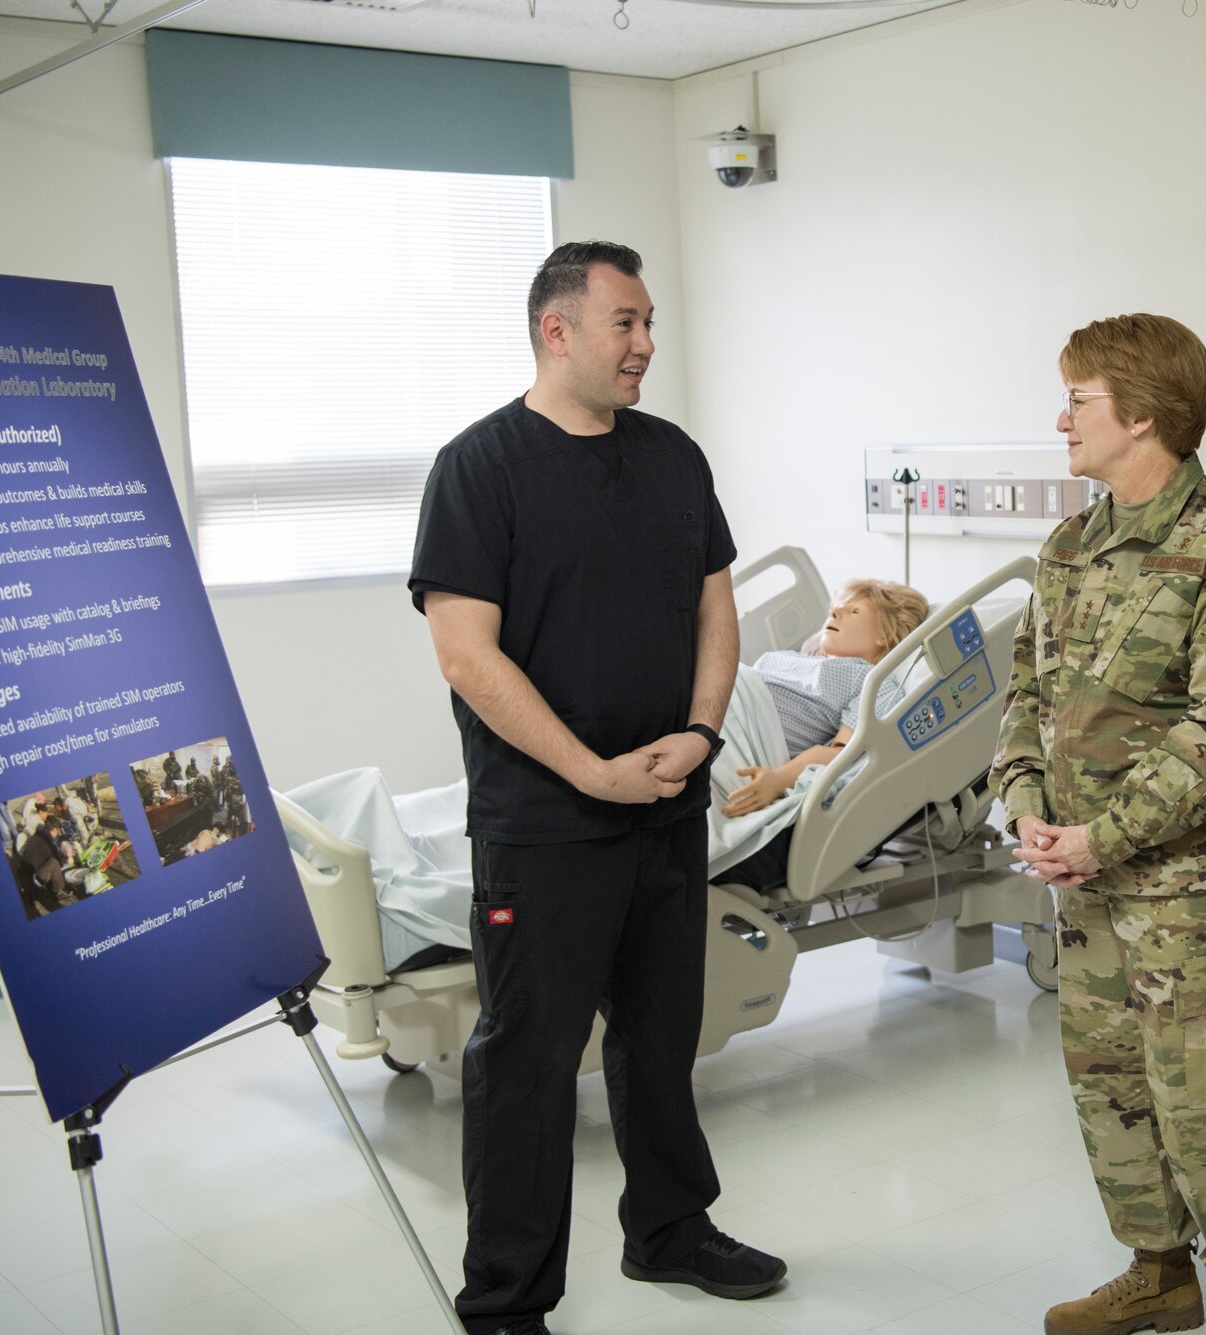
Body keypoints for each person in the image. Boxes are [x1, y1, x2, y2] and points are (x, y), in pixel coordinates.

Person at [410, 240, 785, 1335]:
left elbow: (715, 610)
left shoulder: (671, 456)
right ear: (555, 329)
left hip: (668, 805)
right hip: (543, 822)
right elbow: (465, 656)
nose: (646, 346)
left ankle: (669, 1230)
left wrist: (702, 732)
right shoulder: (479, 468)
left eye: (648, 322)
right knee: (526, 1062)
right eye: (624, 324)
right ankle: (507, 1298)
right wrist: (587, 771)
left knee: (660, 1036)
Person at [994, 313, 1206, 1335]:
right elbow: (1022, 696)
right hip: (1084, 889)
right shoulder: (1069, 544)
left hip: (1193, 900)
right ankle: (1159, 1272)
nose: (1060, 419)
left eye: (1077, 401)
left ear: (1141, 412)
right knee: (1110, 1090)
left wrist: (1102, 837)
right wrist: (1027, 807)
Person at [718, 577, 929, 818]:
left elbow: (840, 755)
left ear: (884, 634)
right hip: (726, 691)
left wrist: (778, 780)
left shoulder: (874, 682)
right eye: (835, 608)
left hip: (739, 725)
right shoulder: (794, 658)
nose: (835, 612)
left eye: (854, 610)